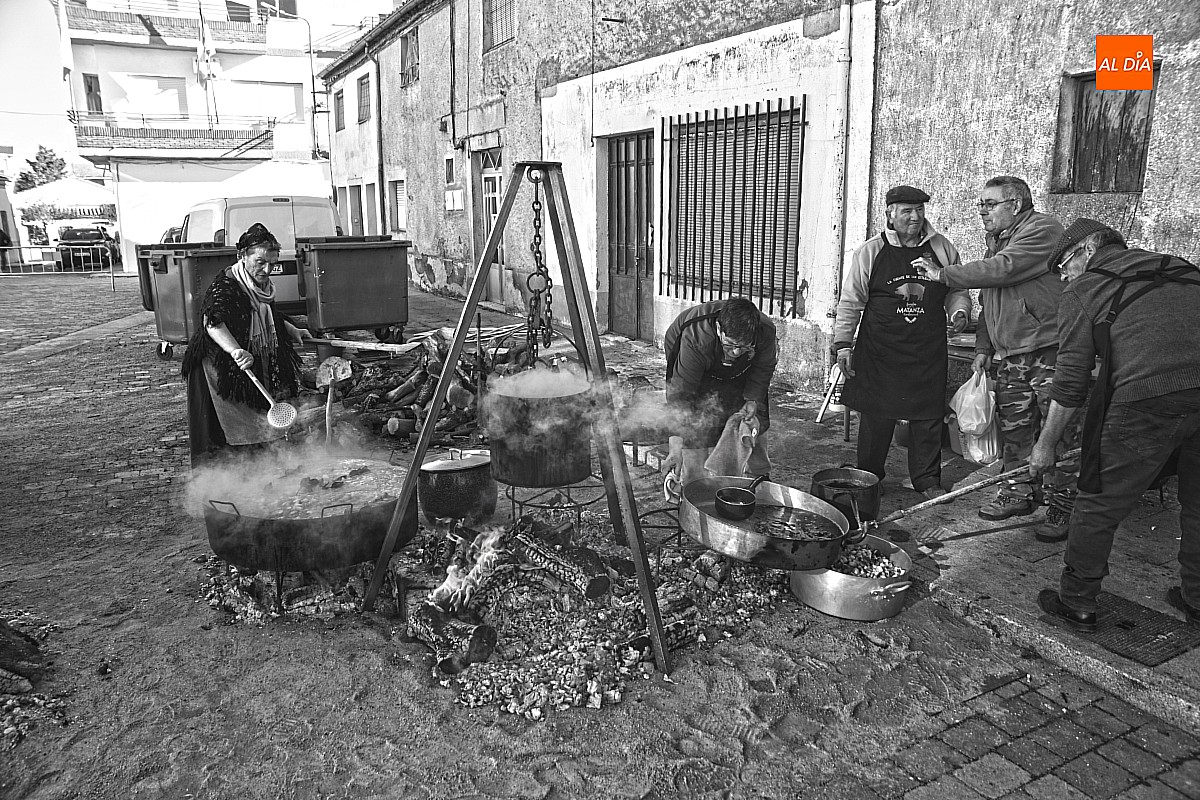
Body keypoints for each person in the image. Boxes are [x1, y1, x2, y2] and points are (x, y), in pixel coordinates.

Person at [1028, 219, 1200, 631]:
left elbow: (1070, 380)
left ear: (1089, 248)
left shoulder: (1086, 288)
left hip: (1147, 400)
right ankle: (1198, 598)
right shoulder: (1183, 269)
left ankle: (1077, 602)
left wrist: (1045, 445)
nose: (1064, 277)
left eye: (1064, 265)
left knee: (1096, 502)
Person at [916, 176, 1078, 541]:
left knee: (1059, 433)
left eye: (990, 204)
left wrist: (943, 274)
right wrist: (983, 349)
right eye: (981, 204)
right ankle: (1018, 491)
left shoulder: (1043, 231)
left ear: (1016, 204)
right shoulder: (998, 242)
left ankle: (1064, 504)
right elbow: (991, 299)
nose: (982, 211)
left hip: (1048, 350)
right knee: (1015, 430)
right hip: (1011, 356)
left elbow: (1002, 270)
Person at [833, 185, 971, 500]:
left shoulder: (942, 248)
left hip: (927, 350)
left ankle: (927, 480)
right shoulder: (870, 251)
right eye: (907, 211)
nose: (915, 217)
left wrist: (960, 311)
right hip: (879, 351)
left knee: (927, 417)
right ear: (890, 214)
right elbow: (851, 302)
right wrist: (843, 344)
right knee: (876, 417)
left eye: (919, 210)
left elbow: (957, 289)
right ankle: (869, 476)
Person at [181, 222, 312, 467]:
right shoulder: (225, 286)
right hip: (218, 366)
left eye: (272, 263)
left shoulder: (262, 286)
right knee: (230, 425)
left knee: (257, 419)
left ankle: (262, 469)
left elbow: (268, 314)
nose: (266, 269)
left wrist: (291, 329)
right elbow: (212, 323)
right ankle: (226, 477)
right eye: (260, 262)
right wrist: (236, 350)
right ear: (242, 255)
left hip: (247, 361)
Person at [661, 297, 778, 488]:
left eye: (743, 346)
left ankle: (757, 479)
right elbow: (681, 395)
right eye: (730, 345)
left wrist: (752, 399)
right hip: (697, 364)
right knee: (695, 422)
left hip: (742, 370)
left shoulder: (764, 331)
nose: (736, 352)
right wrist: (675, 448)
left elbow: (763, 369)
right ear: (718, 329)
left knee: (756, 418)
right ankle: (694, 483)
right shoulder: (697, 339)